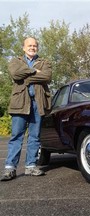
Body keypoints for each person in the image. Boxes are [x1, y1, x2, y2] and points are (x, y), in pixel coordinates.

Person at [1, 37, 52, 181]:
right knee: (17, 136)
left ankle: (31, 166)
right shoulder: (15, 61)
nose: (32, 47)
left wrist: (26, 76)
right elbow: (15, 74)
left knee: (34, 137)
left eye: (35, 45)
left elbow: (47, 76)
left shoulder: (44, 62)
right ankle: (10, 169)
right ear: (23, 47)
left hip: (38, 104)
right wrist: (34, 72)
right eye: (29, 45)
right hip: (19, 104)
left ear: (38, 48)